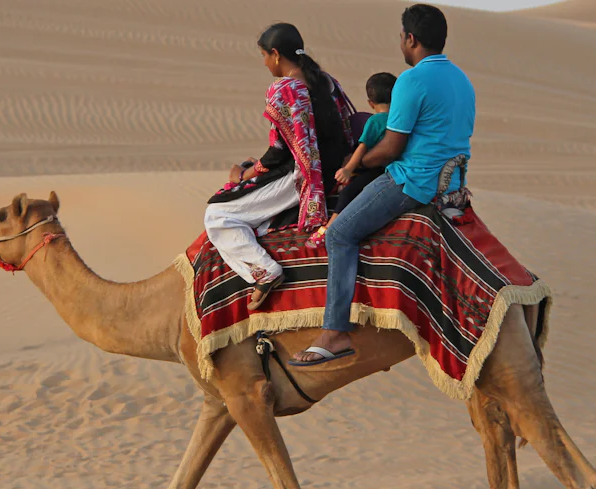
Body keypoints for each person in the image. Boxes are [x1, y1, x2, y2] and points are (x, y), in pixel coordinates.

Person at [291, 4, 475, 365]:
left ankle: (335, 332)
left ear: (410, 38)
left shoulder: (412, 80)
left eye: (402, 38)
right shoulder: (461, 79)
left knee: (339, 234)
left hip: (414, 183)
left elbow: (392, 147)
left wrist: (353, 164)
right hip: (453, 183)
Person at [204, 23, 356, 310]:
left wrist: (244, 174)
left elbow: (278, 152)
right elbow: (345, 128)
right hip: (333, 168)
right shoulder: (326, 80)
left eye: (263, 55)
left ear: (275, 54)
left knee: (218, 214)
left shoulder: (284, 88)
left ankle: (264, 272)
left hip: (303, 178)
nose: (264, 63)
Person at [306, 72, 397, 248]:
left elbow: (362, 147)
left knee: (349, 193)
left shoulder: (374, 121)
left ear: (371, 103)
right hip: (395, 170)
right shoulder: (399, 120)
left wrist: (348, 169)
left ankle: (329, 229)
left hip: (377, 170)